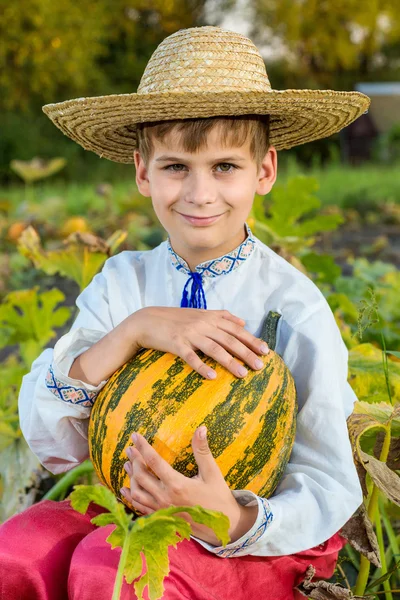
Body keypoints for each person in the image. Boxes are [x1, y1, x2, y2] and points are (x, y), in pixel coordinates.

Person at [0, 25, 370, 600]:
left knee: (117, 566)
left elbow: (327, 479)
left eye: (225, 167)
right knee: (17, 549)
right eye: (176, 167)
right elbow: (56, 443)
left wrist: (231, 515)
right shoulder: (123, 283)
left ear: (265, 171)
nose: (199, 193)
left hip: (253, 535)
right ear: (143, 171)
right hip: (131, 507)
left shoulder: (293, 306)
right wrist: (134, 330)